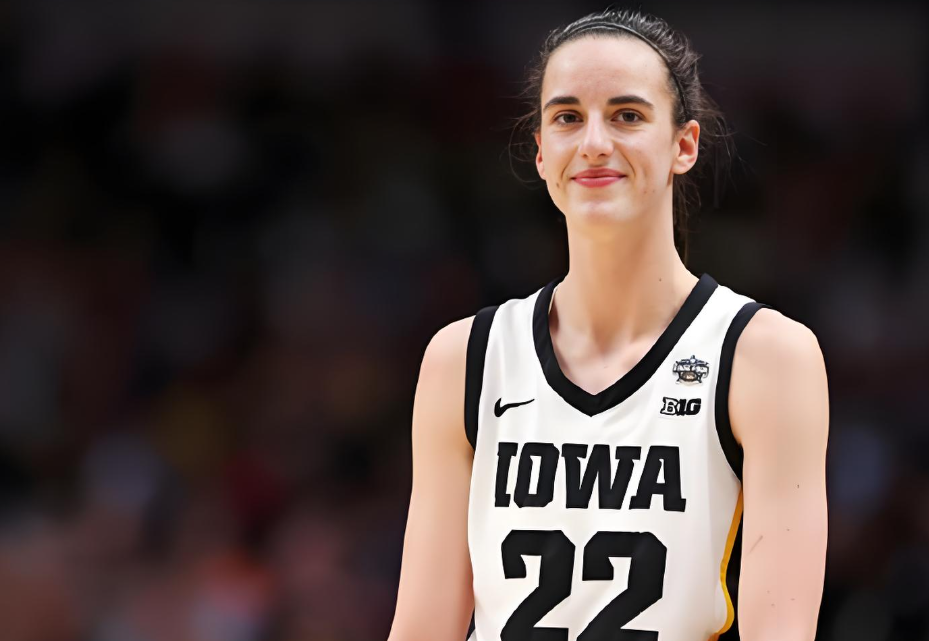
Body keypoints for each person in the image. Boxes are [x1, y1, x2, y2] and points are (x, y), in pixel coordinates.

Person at [387, 7, 828, 641]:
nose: (594, 142)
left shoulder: (766, 357)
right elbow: (422, 629)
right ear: (541, 153)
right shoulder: (464, 359)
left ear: (683, 145)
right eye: (567, 117)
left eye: (627, 115)